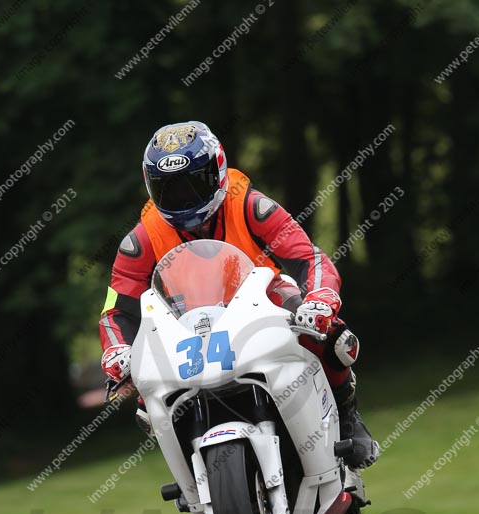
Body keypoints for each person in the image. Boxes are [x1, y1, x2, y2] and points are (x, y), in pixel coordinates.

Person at [100, 121, 379, 469]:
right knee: (145, 399)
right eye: (169, 188)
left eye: (192, 183)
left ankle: (348, 418)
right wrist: (116, 349)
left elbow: (308, 256)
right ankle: (192, 475)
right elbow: (116, 309)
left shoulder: (249, 204)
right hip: (185, 318)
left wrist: (319, 298)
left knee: (332, 336)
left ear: (217, 172)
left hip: (263, 295)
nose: (183, 197)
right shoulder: (141, 239)